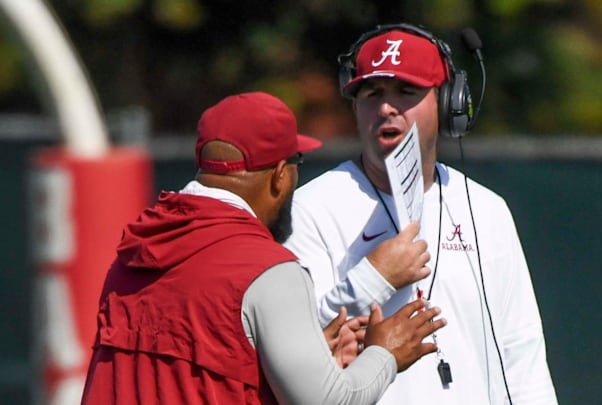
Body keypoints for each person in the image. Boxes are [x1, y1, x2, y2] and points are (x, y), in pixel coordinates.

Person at [80, 91, 447, 405]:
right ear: (280, 175)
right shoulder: (267, 269)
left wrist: (302, 357)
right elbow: (330, 401)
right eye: (295, 163)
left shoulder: (134, 252)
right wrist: (385, 352)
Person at [284, 24, 558, 403]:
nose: (385, 108)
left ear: (448, 102)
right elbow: (290, 349)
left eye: (407, 92)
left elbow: (521, 352)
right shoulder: (310, 207)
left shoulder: (486, 209)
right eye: (372, 93)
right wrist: (373, 279)